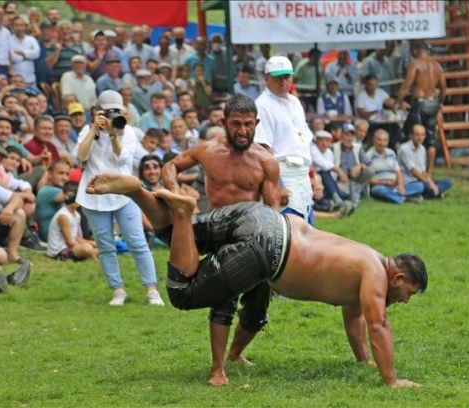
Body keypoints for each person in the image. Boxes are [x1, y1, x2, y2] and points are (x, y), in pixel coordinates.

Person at [85, 174, 426, 389]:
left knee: (176, 235)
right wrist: (392, 380)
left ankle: (137, 192)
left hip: (264, 217)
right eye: (408, 293)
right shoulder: (377, 279)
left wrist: (364, 359)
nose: (406, 301)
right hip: (269, 250)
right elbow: (377, 324)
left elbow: (354, 316)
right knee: (182, 292)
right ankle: (183, 211)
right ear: (398, 277)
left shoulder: (367, 257)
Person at [161, 94, 282, 387]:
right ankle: (217, 370)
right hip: (218, 232)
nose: (243, 130)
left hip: (253, 239)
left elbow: (273, 212)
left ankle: (235, 354)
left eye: (248, 124)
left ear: (257, 124)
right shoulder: (207, 150)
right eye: (236, 124)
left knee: (257, 310)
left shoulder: (266, 162)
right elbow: (171, 167)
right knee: (223, 302)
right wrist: (175, 192)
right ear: (223, 122)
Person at [73, 90, 163, 307]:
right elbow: (80, 157)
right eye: (108, 111)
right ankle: (118, 290)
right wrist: (94, 129)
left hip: (123, 192)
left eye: (117, 111)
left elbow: (123, 159)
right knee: (105, 245)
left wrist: (114, 135)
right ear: (97, 111)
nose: (113, 115)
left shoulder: (128, 131)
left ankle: (152, 290)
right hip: (94, 194)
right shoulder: (88, 129)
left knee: (137, 240)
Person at [255, 56, 313, 223]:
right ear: (266, 78)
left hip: (302, 173)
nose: (283, 82)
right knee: (288, 231)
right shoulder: (262, 105)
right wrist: (278, 183)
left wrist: (312, 175)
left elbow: (303, 142)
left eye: (286, 77)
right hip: (283, 171)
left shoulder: (295, 102)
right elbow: (264, 149)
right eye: (277, 77)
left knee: (308, 232)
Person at [398, 42, 447, 173]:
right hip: (433, 102)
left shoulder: (415, 64)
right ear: (428, 52)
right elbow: (443, 88)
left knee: (412, 134)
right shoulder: (437, 65)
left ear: (415, 52)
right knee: (430, 138)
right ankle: (429, 170)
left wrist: (399, 100)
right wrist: (440, 102)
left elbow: (407, 83)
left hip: (420, 103)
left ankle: (413, 167)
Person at [367, 129, 424, 205]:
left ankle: (396, 195)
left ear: (387, 142)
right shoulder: (368, 155)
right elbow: (368, 179)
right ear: (374, 141)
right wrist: (385, 183)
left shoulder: (391, 153)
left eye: (385, 140)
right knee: (379, 191)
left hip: (395, 185)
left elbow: (398, 172)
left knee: (419, 186)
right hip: (380, 185)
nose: (382, 143)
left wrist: (400, 185)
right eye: (379, 140)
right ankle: (405, 198)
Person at [46, 181, 97, 261]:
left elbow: (76, 237)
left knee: (95, 245)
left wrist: (91, 243)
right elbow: (69, 242)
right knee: (87, 248)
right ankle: (94, 254)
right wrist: (86, 246)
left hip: (71, 246)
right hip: (60, 251)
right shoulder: (63, 216)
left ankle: (95, 252)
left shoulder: (77, 215)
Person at [398, 124, 453, 199]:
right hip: (409, 182)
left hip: (421, 180)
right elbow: (413, 171)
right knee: (421, 186)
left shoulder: (422, 149)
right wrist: (430, 184)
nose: (420, 137)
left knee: (448, 182)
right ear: (411, 136)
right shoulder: (404, 149)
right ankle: (433, 193)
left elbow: (423, 171)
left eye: (422, 135)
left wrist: (431, 182)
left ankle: (425, 195)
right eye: (417, 135)